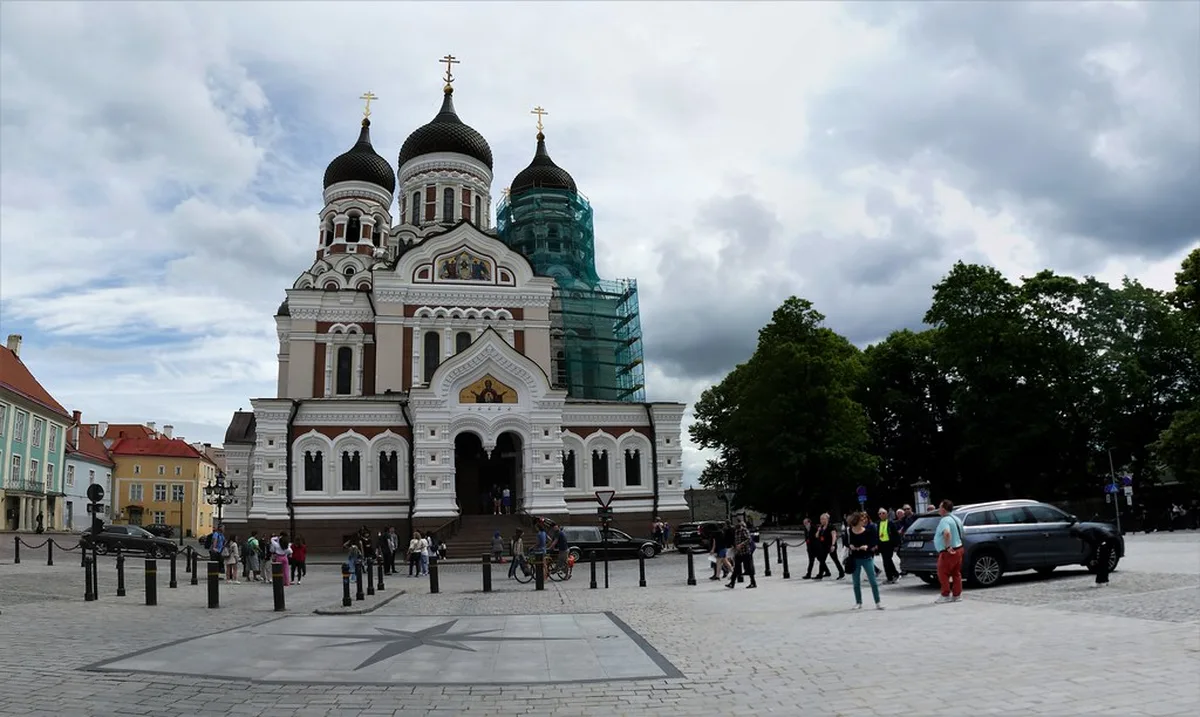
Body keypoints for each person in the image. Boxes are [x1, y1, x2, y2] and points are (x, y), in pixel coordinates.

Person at [846, 511, 883, 610]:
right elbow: (846, 542)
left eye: (865, 519)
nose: (864, 521)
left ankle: (878, 602)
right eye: (862, 519)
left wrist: (867, 546)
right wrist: (850, 545)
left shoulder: (867, 531)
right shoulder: (850, 530)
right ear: (857, 521)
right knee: (856, 582)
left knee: (873, 581)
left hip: (866, 557)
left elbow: (873, 542)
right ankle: (858, 602)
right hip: (855, 558)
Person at [934, 499, 965, 603]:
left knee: (943, 573)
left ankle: (945, 595)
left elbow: (947, 533)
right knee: (956, 573)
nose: (938, 509)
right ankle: (957, 595)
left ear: (944, 509)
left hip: (948, 552)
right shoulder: (956, 519)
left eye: (940, 507)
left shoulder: (945, 520)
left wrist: (947, 547)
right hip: (959, 548)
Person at [1071, 522, 1116, 587]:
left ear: (1077, 535)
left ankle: (1101, 581)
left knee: (1102, 562)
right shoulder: (1084, 531)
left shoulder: (1085, 534)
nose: (1077, 539)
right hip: (1108, 539)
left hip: (1107, 540)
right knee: (1103, 562)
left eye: (1075, 537)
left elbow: (1094, 545)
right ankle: (1104, 581)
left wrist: (1094, 558)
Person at [726, 516, 757, 589]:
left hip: (745, 552)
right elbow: (736, 540)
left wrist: (741, 544)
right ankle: (732, 583)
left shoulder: (744, 530)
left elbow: (749, 539)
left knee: (748, 568)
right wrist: (735, 546)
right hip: (738, 553)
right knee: (736, 568)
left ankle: (753, 582)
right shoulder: (736, 531)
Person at [876, 508, 900, 584]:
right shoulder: (878, 523)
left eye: (883, 513)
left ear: (886, 514)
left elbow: (895, 534)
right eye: (879, 514)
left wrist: (896, 545)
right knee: (887, 561)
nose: (881, 515)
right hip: (882, 545)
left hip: (889, 544)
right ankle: (895, 574)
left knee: (886, 561)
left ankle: (890, 577)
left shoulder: (890, 523)